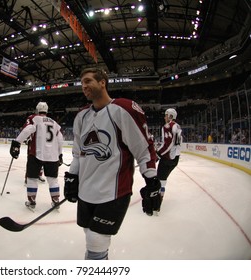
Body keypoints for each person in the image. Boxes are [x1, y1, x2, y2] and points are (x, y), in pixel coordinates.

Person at [63, 68, 161, 260]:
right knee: (88, 233)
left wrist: (152, 181)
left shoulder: (123, 109)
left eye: (88, 81)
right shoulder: (81, 116)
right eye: (82, 82)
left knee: (96, 239)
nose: (84, 86)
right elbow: (77, 153)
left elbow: (143, 148)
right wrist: (72, 176)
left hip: (114, 191)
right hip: (86, 190)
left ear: (102, 83)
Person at [10, 102, 64, 210]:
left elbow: (28, 130)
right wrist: (60, 154)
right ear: (47, 110)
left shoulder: (34, 118)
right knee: (53, 180)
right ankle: (56, 200)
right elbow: (60, 139)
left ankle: (32, 201)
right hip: (53, 156)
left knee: (32, 178)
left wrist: (17, 143)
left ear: (37, 110)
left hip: (36, 154)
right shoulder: (54, 123)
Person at [156, 108, 182, 206]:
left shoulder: (167, 126)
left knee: (159, 180)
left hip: (167, 158)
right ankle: (159, 199)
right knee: (162, 180)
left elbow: (167, 144)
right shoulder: (178, 126)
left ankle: (157, 203)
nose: (164, 117)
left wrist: (158, 154)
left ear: (170, 116)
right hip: (175, 159)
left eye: (166, 115)